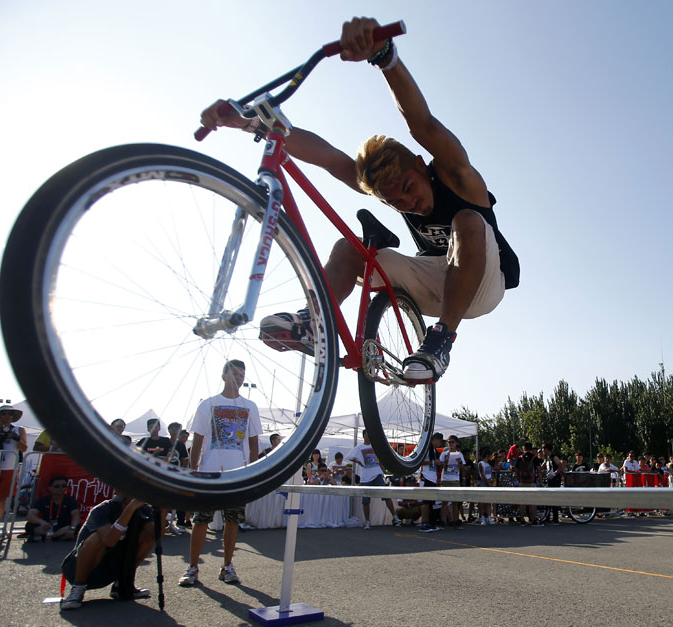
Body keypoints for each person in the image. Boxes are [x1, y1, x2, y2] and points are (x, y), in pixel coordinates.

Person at [200, 17, 519, 384]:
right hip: (433, 281)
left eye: (409, 187)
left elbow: (422, 124)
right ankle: (312, 322)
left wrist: (384, 57)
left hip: (482, 283)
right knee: (347, 248)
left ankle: (441, 341)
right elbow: (332, 159)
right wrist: (248, 124)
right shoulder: (394, 193)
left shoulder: (457, 176)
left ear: (420, 165)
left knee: (467, 221)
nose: (407, 202)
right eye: (394, 199)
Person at [179, 360, 262, 587]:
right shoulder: (208, 404)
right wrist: (192, 472)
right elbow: (198, 441)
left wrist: (252, 472)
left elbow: (254, 443)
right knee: (201, 520)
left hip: (237, 473)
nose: (239, 378)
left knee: (232, 520)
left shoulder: (250, 406)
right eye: (235, 373)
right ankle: (193, 567)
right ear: (224, 375)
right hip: (209, 472)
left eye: (242, 374)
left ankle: (227, 565)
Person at [60, 493, 154, 610]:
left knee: (150, 535)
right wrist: (130, 509)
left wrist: (163, 508)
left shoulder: (143, 510)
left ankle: (122, 583)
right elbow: (109, 541)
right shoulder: (102, 509)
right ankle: (78, 588)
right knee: (96, 539)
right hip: (81, 568)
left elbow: (156, 537)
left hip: (111, 567)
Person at [0, 405, 28, 538]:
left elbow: (24, 448)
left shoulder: (19, 429)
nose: (7, 416)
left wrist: (14, 437)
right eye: (4, 414)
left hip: (9, 468)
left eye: (10, 414)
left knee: (1, 499)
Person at [346, 429, 400, 529]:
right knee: (366, 500)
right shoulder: (360, 447)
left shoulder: (376, 446)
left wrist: (382, 469)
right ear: (364, 436)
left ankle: (395, 517)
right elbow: (349, 456)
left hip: (377, 474)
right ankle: (367, 521)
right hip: (366, 477)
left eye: (371, 435)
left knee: (386, 495)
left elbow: (383, 457)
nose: (370, 437)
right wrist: (358, 461)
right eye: (368, 435)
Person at [25, 475, 80, 541]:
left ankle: (48, 536)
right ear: (50, 488)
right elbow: (30, 516)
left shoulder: (70, 500)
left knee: (77, 526)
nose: (61, 488)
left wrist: (72, 529)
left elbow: (76, 514)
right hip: (47, 525)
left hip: (63, 525)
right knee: (29, 526)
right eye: (57, 486)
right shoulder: (43, 500)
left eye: (64, 486)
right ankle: (58, 537)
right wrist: (41, 522)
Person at [417, 432, 443, 532]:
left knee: (431, 503)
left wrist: (439, 464)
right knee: (426, 502)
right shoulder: (427, 448)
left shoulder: (434, 450)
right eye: (440, 441)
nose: (440, 444)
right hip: (426, 477)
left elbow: (434, 463)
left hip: (432, 478)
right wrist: (433, 462)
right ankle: (424, 523)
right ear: (435, 439)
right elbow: (420, 461)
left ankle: (429, 522)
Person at [438, 435, 465, 528]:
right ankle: (443, 521)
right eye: (449, 442)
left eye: (452, 442)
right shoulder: (444, 453)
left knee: (455, 502)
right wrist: (445, 461)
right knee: (444, 502)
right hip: (445, 479)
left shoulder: (459, 454)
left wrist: (460, 462)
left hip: (455, 479)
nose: (451, 444)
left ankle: (455, 521)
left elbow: (463, 468)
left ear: (456, 443)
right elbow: (440, 466)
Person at [539, 443, 565, 523]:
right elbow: (541, 467)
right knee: (548, 499)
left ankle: (555, 518)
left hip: (555, 480)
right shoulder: (547, 458)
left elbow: (561, 466)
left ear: (547, 449)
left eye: (543, 449)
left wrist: (554, 473)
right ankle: (547, 517)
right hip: (549, 480)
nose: (542, 451)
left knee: (554, 499)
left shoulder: (554, 457)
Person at [477, 447, 495, 525]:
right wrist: (488, 482)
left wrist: (491, 481)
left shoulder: (488, 464)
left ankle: (488, 517)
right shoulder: (481, 463)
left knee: (488, 502)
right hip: (483, 483)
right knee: (482, 502)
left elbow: (490, 474)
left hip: (489, 483)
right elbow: (482, 474)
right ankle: (482, 517)